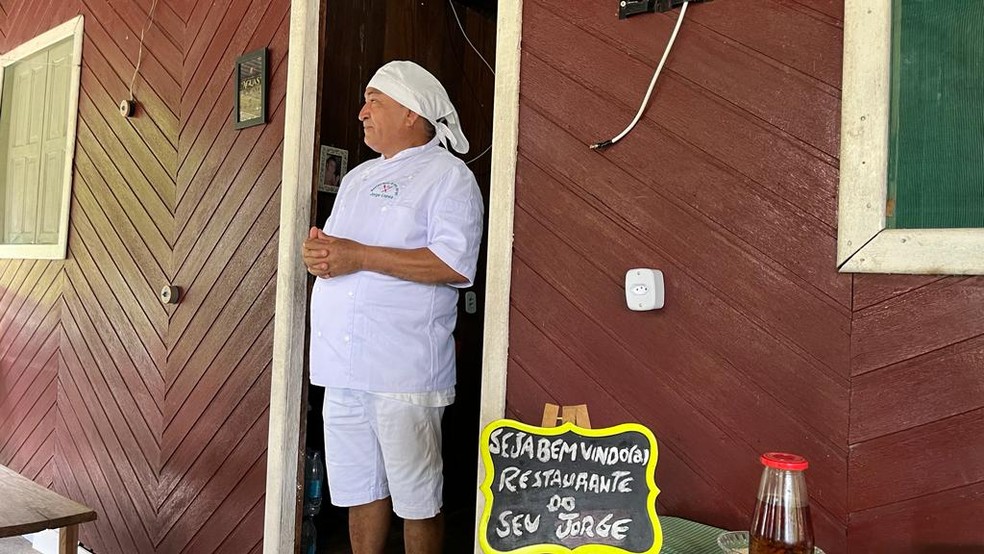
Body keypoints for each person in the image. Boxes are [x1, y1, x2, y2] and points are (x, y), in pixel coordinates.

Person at [301, 60, 484, 553]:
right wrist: (322, 257)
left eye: (373, 101)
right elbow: (343, 251)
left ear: (411, 112)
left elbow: (454, 265)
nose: (361, 112)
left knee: (417, 498)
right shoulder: (358, 179)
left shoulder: (449, 178)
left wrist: (357, 256)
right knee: (359, 490)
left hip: (403, 370)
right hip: (342, 367)